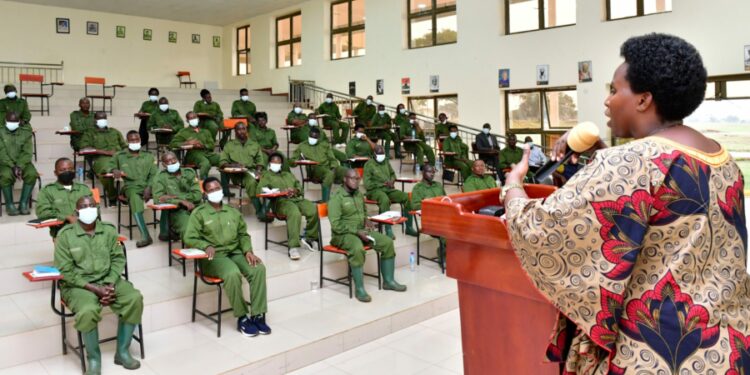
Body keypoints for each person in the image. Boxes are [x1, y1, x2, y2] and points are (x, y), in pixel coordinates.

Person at [503, 33, 750, 374]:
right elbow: (666, 205)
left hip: (654, 355)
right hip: (726, 348)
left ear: (644, 99)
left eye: (614, 90)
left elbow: (538, 228)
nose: (607, 101)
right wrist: (605, 157)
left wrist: (513, 185)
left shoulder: (630, 162)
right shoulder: (723, 160)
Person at [54, 196, 144, 373]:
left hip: (108, 279)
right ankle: (94, 360)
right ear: (76, 212)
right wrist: (95, 289)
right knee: (88, 311)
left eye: (92, 205)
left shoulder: (109, 231)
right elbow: (65, 270)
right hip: (78, 285)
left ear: (97, 209)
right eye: (83, 206)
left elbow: (118, 259)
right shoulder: (65, 235)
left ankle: (122, 352)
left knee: (134, 298)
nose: (88, 209)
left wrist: (109, 283)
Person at [184, 177, 271, 337]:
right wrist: (205, 245)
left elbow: (243, 234)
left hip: (235, 252)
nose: (215, 192)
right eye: (210, 190)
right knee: (232, 273)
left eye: (217, 188)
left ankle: (258, 314)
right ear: (205, 193)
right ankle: (242, 318)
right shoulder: (199, 213)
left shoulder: (232, 211)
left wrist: (248, 251)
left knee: (258, 269)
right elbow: (189, 238)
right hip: (213, 257)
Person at [329, 169, 407, 302]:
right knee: (357, 248)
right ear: (345, 179)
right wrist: (356, 231)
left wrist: (366, 219)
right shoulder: (337, 198)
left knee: (387, 242)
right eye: (353, 178)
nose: (356, 181)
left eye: (358, 179)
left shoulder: (359, 194)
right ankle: (359, 289)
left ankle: (388, 281)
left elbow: (363, 212)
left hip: (361, 231)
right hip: (342, 234)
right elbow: (335, 225)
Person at [256, 153, 319, 260]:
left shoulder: (288, 175)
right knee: (294, 213)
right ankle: (293, 247)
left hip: (296, 199)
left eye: (278, 163)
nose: (276, 164)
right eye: (274, 162)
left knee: (313, 209)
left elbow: (299, 187)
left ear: (281, 164)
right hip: (280, 202)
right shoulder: (266, 176)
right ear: (269, 164)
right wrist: (281, 192)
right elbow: (259, 191)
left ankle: (310, 237)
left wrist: (295, 190)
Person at [108, 131, 157, 247]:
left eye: (137, 140)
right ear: (127, 141)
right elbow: (109, 166)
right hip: (131, 186)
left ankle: (165, 231)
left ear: (140, 140)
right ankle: (146, 235)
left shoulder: (148, 156)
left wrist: (149, 187)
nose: (135, 142)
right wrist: (113, 169)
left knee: (166, 195)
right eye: (132, 140)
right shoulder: (120, 156)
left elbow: (154, 174)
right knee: (134, 198)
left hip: (148, 185)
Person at [363, 145, 417, 238]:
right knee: (384, 199)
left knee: (406, 197)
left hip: (388, 189)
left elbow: (392, 174)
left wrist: (392, 181)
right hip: (374, 191)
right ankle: (388, 230)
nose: (382, 156)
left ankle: (409, 227)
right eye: (379, 154)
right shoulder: (369, 165)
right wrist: (382, 184)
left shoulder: (386, 162)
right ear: (374, 154)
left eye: (383, 154)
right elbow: (367, 184)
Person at [219, 122, 268, 221]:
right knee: (251, 182)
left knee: (270, 180)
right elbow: (222, 162)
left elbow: (260, 161)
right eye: (239, 129)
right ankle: (260, 212)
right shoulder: (229, 145)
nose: (241, 131)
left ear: (247, 130)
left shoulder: (254, 144)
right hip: (237, 174)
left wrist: (258, 171)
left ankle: (266, 209)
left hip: (253, 171)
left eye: (243, 129)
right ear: (235, 131)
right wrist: (233, 165)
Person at [36, 157, 92, 238]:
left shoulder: (83, 189)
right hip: (62, 234)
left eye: (70, 169)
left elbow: (95, 210)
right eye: (63, 170)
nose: (67, 172)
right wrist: (67, 217)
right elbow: (42, 213)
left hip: (87, 232)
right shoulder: (47, 191)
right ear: (55, 173)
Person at [151, 151, 202, 241]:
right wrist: (180, 201)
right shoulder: (160, 177)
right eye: (168, 161)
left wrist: (174, 197)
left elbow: (197, 195)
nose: (172, 162)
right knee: (188, 232)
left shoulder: (189, 172)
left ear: (178, 160)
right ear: (164, 165)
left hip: (197, 207)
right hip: (177, 211)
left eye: (174, 159)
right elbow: (158, 199)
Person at [79, 112, 127, 205]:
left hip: (119, 157)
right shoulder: (89, 133)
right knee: (106, 172)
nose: (102, 120)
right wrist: (106, 152)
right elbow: (84, 148)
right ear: (95, 120)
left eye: (104, 118)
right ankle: (112, 197)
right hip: (100, 159)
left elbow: (124, 146)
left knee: (134, 169)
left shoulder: (114, 131)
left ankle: (124, 194)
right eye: (100, 118)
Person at [290, 127, 347, 202]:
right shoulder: (302, 146)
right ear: (308, 135)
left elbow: (332, 159)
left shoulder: (324, 145)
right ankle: (325, 201)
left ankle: (345, 198)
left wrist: (333, 167)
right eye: (311, 136)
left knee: (346, 172)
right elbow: (292, 161)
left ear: (318, 138)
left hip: (328, 167)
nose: (312, 139)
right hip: (314, 169)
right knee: (329, 174)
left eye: (315, 137)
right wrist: (297, 160)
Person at [0, 111, 39, 215]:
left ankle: (23, 203)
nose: (12, 123)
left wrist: (20, 166)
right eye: (10, 121)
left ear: (19, 122)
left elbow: (27, 151)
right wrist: (13, 166)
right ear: (5, 121)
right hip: (5, 163)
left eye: (14, 121)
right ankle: (9, 205)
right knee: (5, 175)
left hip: (23, 162)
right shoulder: (0, 132)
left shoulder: (25, 132)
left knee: (32, 174)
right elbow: (1, 152)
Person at [410, 165, 446, 264]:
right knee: (447, 231)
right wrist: (429, 204)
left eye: (433, 172)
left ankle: (449, 253)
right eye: (429, 172)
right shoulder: (418, 188)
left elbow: (446, 200)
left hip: (444, 217)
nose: (432, 174)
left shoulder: (438, 185)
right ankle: (444, 254)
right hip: (430, 222)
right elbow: (414, 205)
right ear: (423, 173)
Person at [170, 111, 219, 179]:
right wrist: (186, 143)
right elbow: (172, 144)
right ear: (187, 121)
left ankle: (225, 186)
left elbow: (212, 145)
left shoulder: (205, 131)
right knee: (205, 164)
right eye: (191, 118)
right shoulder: (183, 132)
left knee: (222, 159)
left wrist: (202, 145)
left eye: (195, 117)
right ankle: (203, 184)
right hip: (193, 154)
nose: (193, 120)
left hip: (207, 153)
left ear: (198, 119)